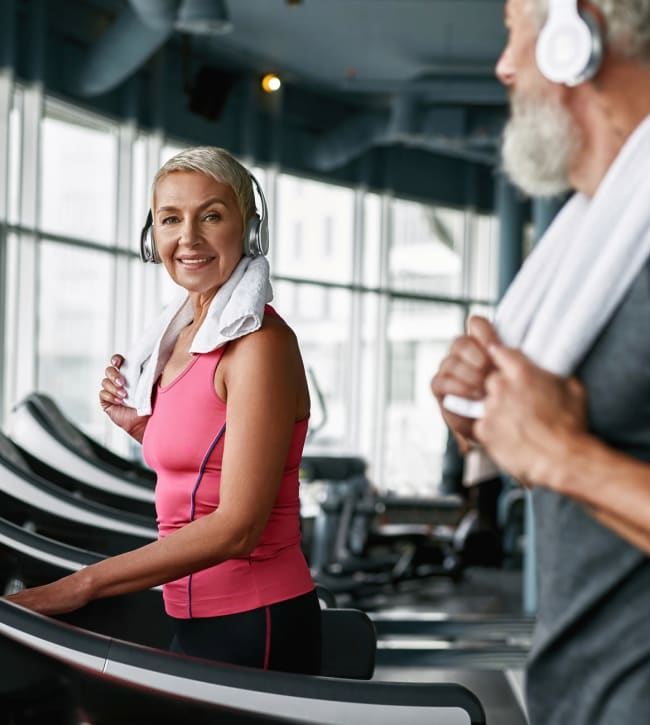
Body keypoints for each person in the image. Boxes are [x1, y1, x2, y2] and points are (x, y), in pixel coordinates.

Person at [5, 146, 322, 675]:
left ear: (249, 229)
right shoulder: (185, 337)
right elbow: (212, 460)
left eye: (212, 215)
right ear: (153, 233)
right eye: (171, 218)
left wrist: (78, 586)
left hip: (256, 619)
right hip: (194, 618)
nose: (189, 238)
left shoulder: (258, 344)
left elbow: (238, 526)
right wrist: (146, 428)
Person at [431, 1, 650, 723]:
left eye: (515, 27)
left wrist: (563, 453)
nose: (502, 64)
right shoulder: (598, 241)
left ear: (573, 37)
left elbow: (559, 454)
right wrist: (491, 413)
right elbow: (542, 454)